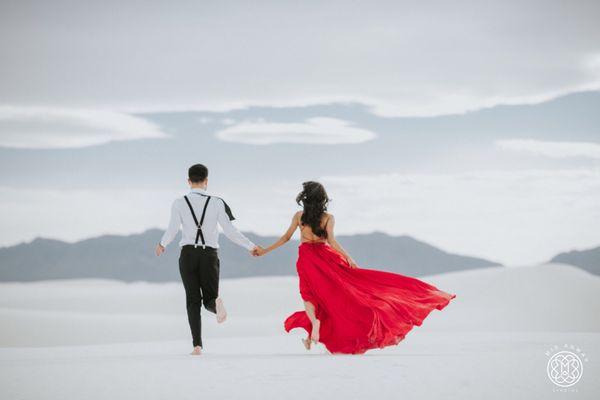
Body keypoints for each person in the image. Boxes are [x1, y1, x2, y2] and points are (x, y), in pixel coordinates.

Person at [253, 181, 455, 354]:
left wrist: (264, 250)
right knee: (339, 294)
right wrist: (348, 257)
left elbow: (286, 238)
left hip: (306, 259)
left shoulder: (299, 216)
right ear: (322, 199)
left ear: (306, 198)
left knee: (309, 295)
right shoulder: (328, 218)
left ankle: (314, 323)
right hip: (326, 258)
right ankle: (320, 330)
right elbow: (331, 241)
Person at [156, 164, 259, 355]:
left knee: (192, 301)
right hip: (209, 254)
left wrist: (162, 244)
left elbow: (172, 229)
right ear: (206, 182)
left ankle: (197, 345)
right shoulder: (217, 202)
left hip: (187, 254)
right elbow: (230, 231)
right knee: (209, 299)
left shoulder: (179, 203)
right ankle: (216, 303)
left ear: (188, 181)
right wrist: (251, 246)